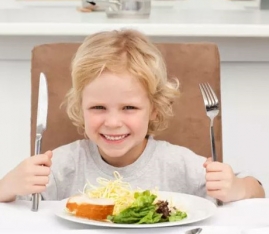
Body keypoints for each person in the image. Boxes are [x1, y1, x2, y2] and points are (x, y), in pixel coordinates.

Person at [0, 29, 265, 203]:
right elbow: (16, 211)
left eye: (129, 108)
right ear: (80, 108)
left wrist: (236, 188)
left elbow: (257, 191)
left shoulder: (176, 163)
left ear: (155, 109)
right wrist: (7, 186)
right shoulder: (62, 165)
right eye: (98, 108)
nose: (113, 122)